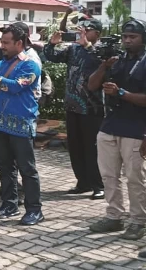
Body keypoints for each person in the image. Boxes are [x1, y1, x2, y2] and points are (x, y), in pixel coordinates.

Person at [0, 24, 44, 225]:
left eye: (6, 43)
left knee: (27, 169)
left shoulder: (30, 64)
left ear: (19, 43)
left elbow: (14, 86)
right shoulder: (1, 64)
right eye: (2, 42)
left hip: (21, 125)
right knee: (5, 168)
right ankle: (9, 204)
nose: (2, 46)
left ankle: (34, 210)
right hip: (0, 124)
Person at [88, 18, 146, 241]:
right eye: (125, 37)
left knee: (135, 178)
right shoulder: (117, 60)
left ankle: (138, 221)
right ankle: (114, 216)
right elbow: (92, 86)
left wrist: (121, 93)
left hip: (136, 128)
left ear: (143, 38)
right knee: (108, 176)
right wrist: (104, 66)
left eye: (133, 37)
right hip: (110, 125)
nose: (128, 41)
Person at [44, 19, 105, 199]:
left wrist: (88, 46)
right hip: (72, 105)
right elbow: (52, 57)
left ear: (97, 34)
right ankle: (83, 182)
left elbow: (106, 64)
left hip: (92, 107)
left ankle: (98, 184)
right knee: (76, 147)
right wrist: (52, 43)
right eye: (81, 29)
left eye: (88, 30)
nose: (83, 32)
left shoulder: (101, 49)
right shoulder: (73, 48)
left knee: (92, 148)